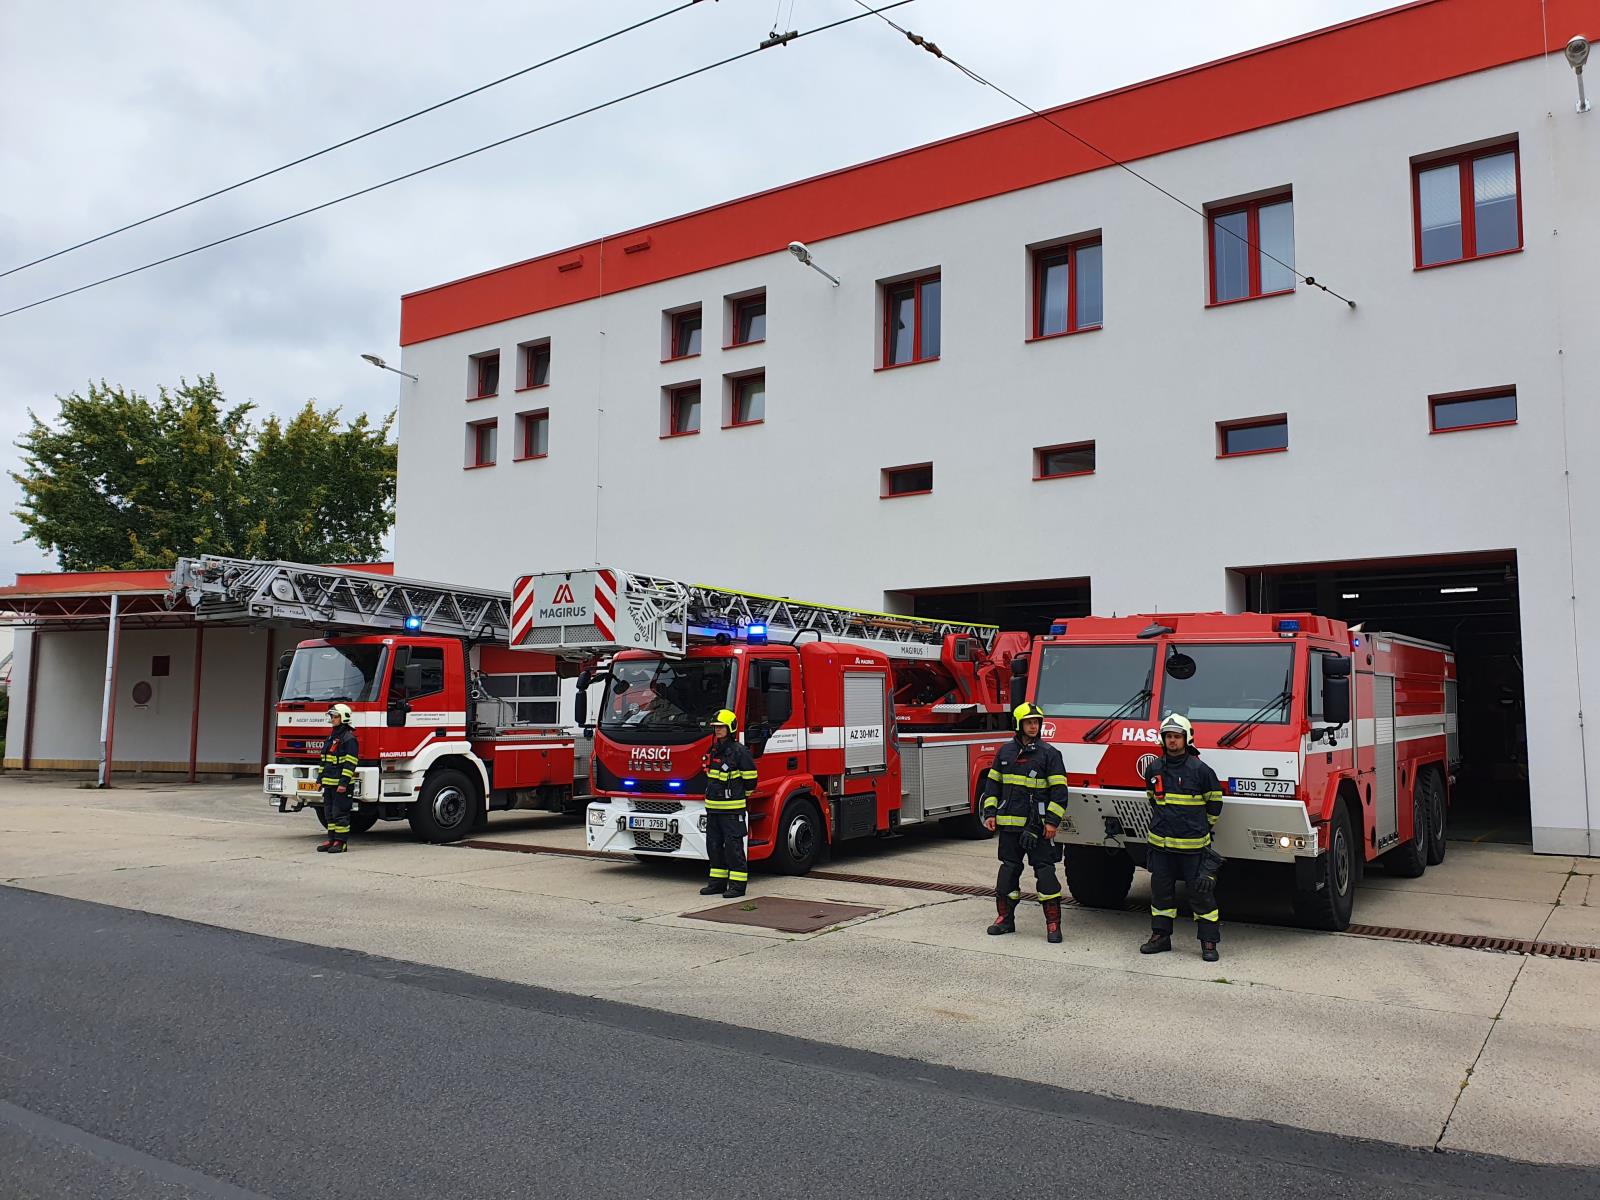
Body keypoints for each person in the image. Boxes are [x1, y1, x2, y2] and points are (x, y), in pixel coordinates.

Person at [982, 702, 1070, 943]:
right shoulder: (1005, 752)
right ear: (1018, 725)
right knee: (1008, 872)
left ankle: (1053, 925)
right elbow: (993, 786)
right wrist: (990, 813)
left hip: (1039, 829)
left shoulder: (1050, 754)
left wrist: (1051, 822)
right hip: (1009, 827)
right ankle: (1005, 920)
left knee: (1045, 873)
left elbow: (1060, 793)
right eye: (1029, 722)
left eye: (1037, 722)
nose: (1034, 726)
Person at [1140, 712, 1224, 961]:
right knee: (1161, 894)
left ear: (1186, 739)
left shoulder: (1201, 770)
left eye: (1177, 736)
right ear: (1162, 740)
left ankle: (1209, 942)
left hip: (1193, 848)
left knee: (1201, 895)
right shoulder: (1154, 768)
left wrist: (1199, 828)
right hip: (1161, 847)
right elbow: (1152, 800)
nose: (1172, 741)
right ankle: (1160, 937)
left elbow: (1215, 805)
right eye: (1169, 737)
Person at [700, 708, 757, 898]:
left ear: (730, 728)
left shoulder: (740, 751)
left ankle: (738, 886)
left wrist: (739, 797)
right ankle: (717, 883)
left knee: (733, 849)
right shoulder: (713, 749)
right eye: (715, 727)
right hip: (713, 809)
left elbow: (751, 780)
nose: (717, 730)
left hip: (732, 810)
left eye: (721, 727)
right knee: (714, 847)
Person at [317, 703, 360, 854]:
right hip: (329, 784)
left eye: (335, 716)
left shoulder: (349, 739)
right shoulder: (332, 737)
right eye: (331, 716)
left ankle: (341, 843)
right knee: (329, 814)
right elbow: (325, 760)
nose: (332, 719)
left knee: (340, 813)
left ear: (343, 718)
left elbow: (351, 763)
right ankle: (331, 840)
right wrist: (320, 779)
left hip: (341, 785)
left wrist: (343, 783)